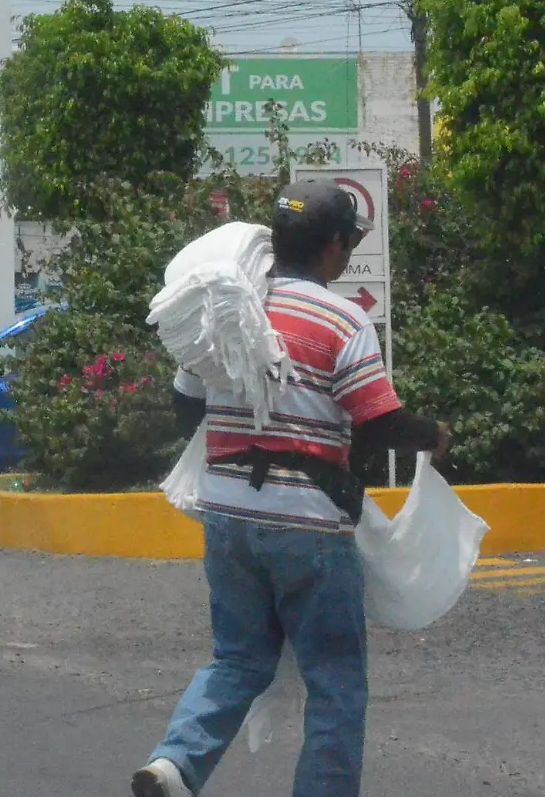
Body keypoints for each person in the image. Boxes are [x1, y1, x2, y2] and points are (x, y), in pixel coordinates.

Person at [133, 178, 450, 797]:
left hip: (226, 515)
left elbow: (182, 410)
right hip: (305, 523)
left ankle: (174, 763)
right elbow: (380, 423)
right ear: (332, 245)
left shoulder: (230, 305)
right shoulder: (341, 319)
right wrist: (434, 435)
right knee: (335, 682)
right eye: (350, 241)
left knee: (238, 659)